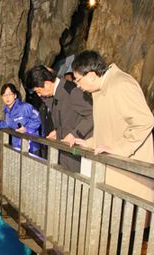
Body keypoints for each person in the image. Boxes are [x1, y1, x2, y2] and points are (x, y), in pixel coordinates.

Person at [71, 50, 154, 200]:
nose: (77, 85)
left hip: (130, 173)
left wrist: (118, 149)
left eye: (77, 80)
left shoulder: (121, 84)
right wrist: (90, 143)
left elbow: (144, 121)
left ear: (91, 75)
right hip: (115, 171)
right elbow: (111, 127)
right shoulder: (101, 89)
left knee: (128, 220)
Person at [26, 65, 93, 171]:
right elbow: (69, 118)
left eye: (38, 91)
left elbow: (92, 115)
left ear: (47, 84)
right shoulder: (55, 94)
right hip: (65, 152)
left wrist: (74, 134)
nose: (38, 95)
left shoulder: (71, 91)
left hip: (78, 154)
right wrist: (57, 132)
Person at [0, 83, 41, 155]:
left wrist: (27, 129)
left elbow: (38, 119)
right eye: (4, 95)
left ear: (15, 95)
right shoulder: (7, 111)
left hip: (31, 147)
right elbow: (7, 124)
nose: (7, 97)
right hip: (17, 146)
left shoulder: (25, 107)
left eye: (9, 94)